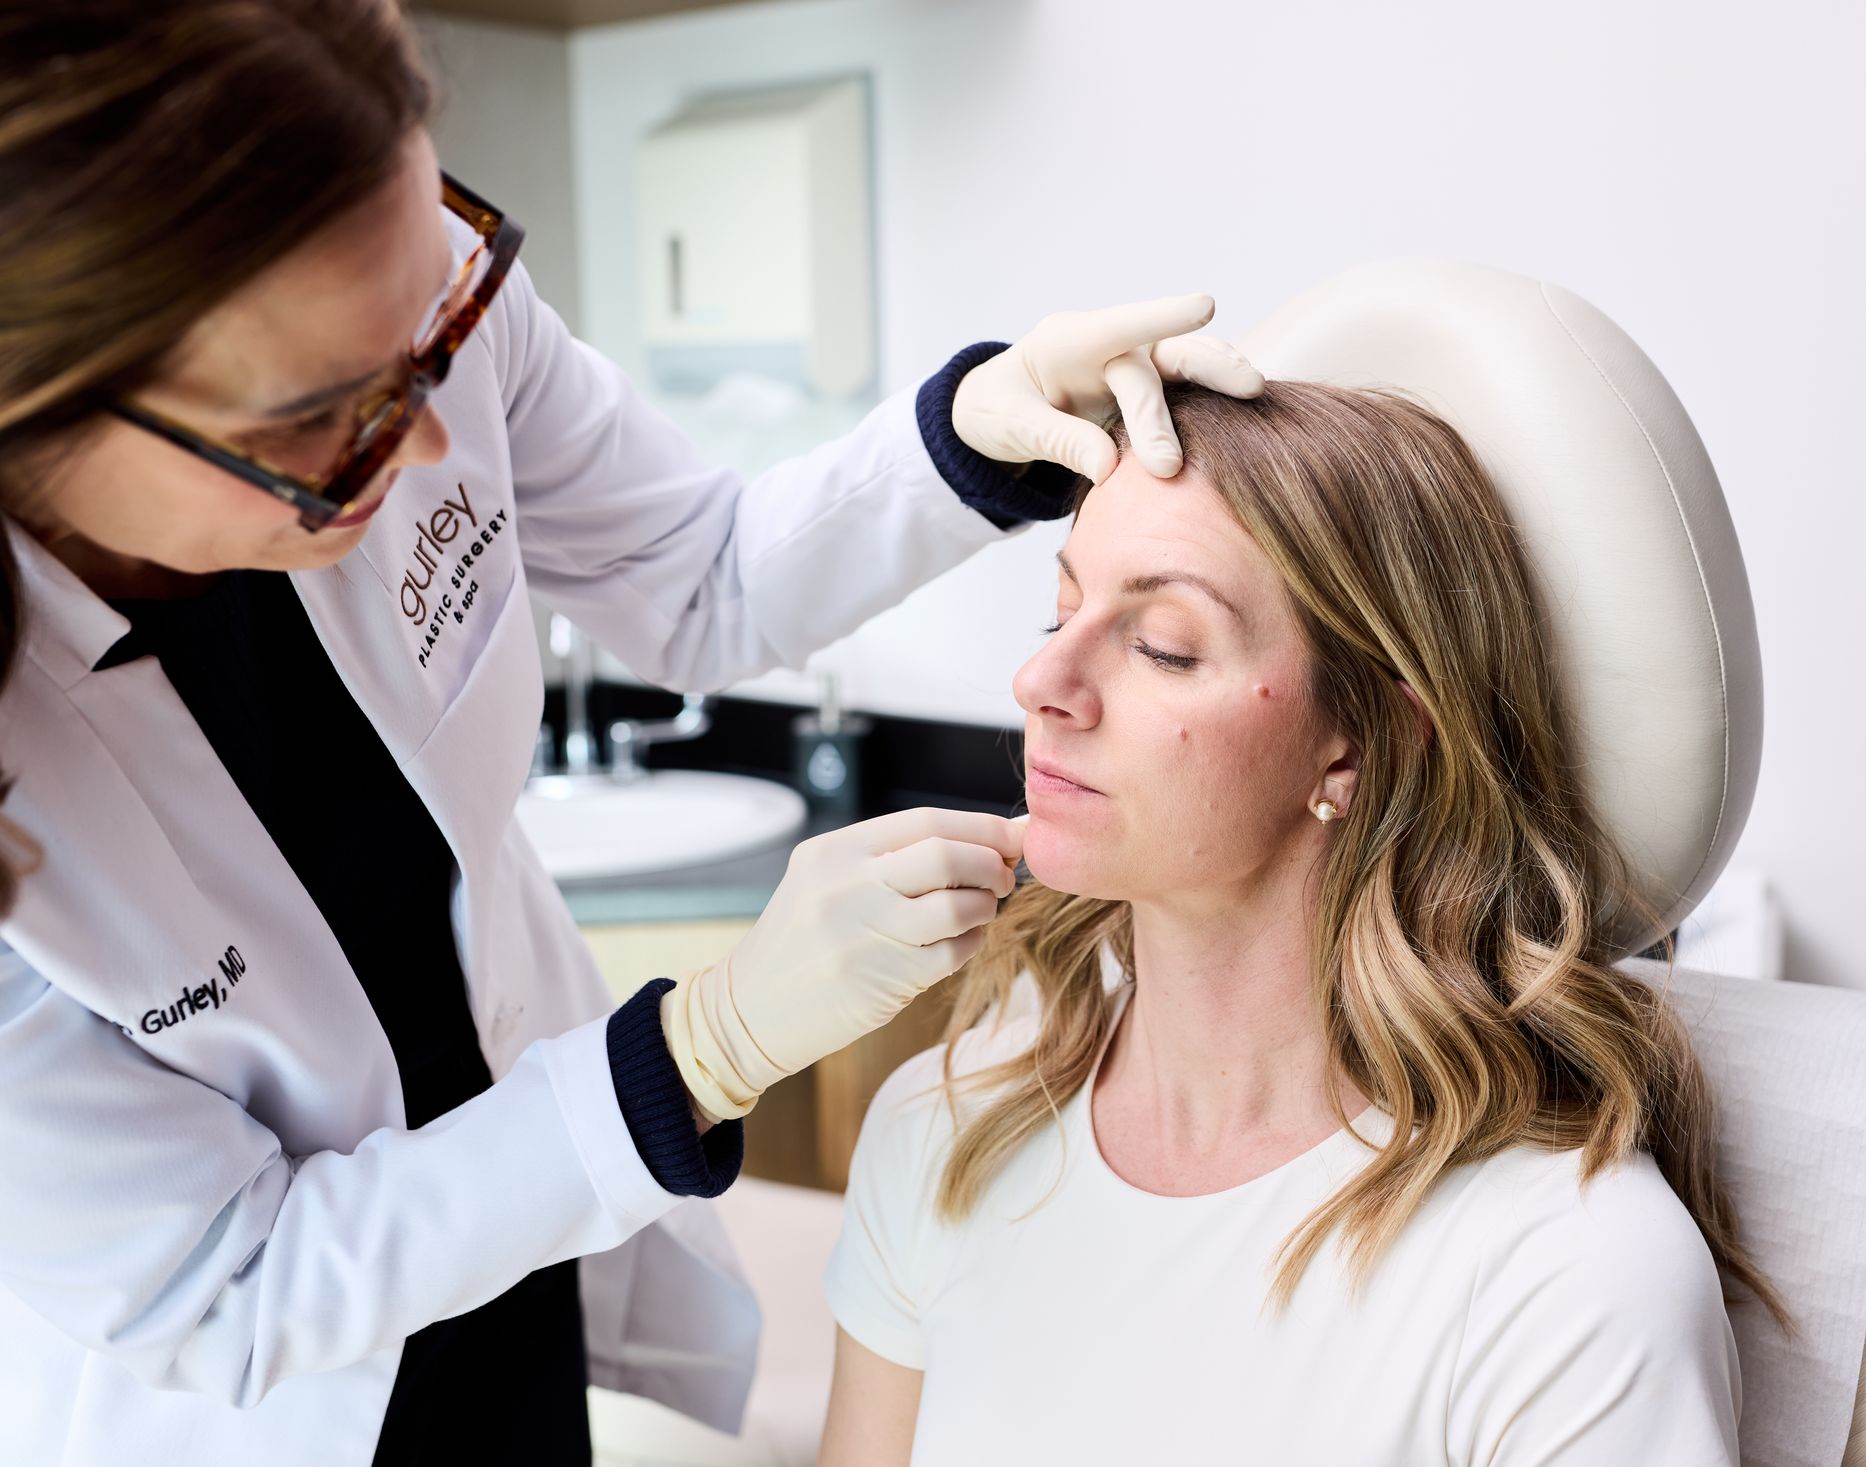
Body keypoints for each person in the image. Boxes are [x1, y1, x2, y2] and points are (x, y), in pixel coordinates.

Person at [0, 3, 1263, 1463]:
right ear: (43, 412)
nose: (429, 442)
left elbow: (701, 575)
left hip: (530, 1288)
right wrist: (702, 1050)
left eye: (428, 330)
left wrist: (963, 440)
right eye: (323, 418)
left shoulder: (414, 318)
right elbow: (228, 1281)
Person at [819, 382, 1790, 1466]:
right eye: (1061, 610)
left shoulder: (1566, 1279)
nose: (1040, 678)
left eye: (1163, 646)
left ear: (1361, 746)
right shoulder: (944, 1133)